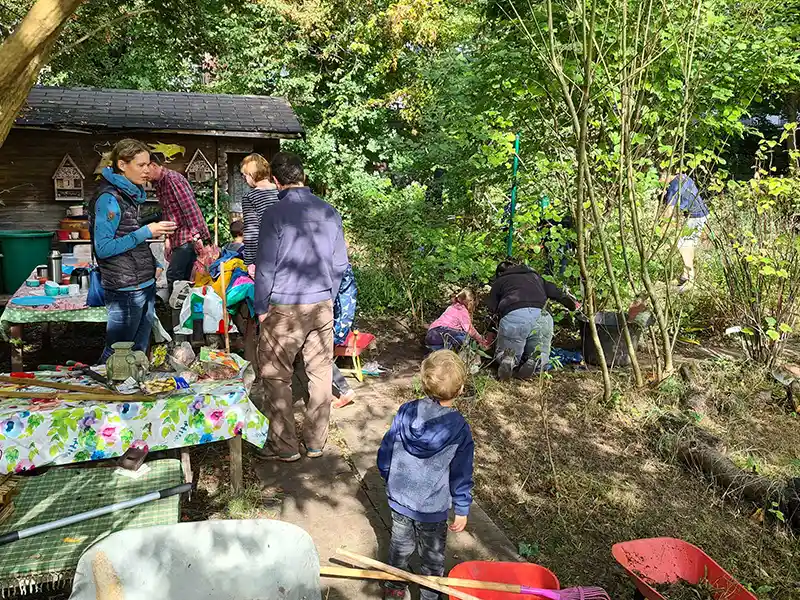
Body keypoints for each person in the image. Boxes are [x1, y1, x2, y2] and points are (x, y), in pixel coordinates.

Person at [255, 152, 348, 462]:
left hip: (284, 305)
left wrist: (261, 307)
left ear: (276, 181)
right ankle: (315, 443)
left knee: (276, 375)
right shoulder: (330, 212)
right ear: (303, 177)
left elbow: (265, 266)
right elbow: (340, 264)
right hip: (322, 304)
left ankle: (284, 446)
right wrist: (327, 296)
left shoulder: (274, 213)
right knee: (321, 374)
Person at [377, 350, 474, 600]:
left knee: (400, 545)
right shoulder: (460, 429)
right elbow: (461, 473)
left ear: (425, 382)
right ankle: (430, 595)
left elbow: (387, 447)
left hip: (399, 498)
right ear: (461, 388)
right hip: (432, 507)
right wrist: (461, 508)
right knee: (432, 555)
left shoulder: (407, 411)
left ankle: (394, 588)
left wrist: (387, 474)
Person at [90, 139, 177, 363]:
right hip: (124, 289)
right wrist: (146, 232)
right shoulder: (109, 198)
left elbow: (128, 237)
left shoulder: (130, 195)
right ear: (122, 164)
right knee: (117, 354)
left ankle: (131, 393)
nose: (147, 170)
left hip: (143, 284)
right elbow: (104, 247)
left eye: (148, 164)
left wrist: (153, 263)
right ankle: (104, 396)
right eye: (140, 165)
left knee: (138, 353)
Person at [489, 260, 578, 381]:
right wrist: (572, 305)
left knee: (508, 350)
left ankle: (508, 359)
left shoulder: (500, 281)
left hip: (515, 316)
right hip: (542, 317)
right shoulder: (535, 277)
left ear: (499, 273)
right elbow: (557, 293)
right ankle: (535, 361)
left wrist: (491, 331)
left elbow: (492, 310)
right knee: (538, 351)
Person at [148, 154, 210, 292]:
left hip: (187, 237)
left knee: (174, 275)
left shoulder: (172, 179)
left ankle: (175, 311)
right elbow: (169, 213)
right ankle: (182, 310)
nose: (144, 175)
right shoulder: (160, 184)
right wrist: (168, 239)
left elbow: (190, 208)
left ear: (153, 165)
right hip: (177, 237)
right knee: (183, 278)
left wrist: (198, 236)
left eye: (145, 168)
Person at [662, 173, 710, 289]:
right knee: (688, 245)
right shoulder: (683, 177)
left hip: (695, 217)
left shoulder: (673, 186)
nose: (661, 183)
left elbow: (668, 210)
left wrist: (663, 227)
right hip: (703, 213)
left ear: (664, 175)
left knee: (683, 245)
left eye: (660, 179)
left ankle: (690, 280)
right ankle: (685, 275)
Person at [241, 153, 280, 271]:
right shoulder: (281, 191)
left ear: (251, 174)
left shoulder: (250, 197)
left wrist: (250, 262)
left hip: (265, 254)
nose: (244, 179)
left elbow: (252, 231)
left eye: (244, 175)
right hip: (286, 249)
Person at [425, 289, 492, 352]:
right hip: (442, 334)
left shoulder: (452, 306)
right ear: (471, 303)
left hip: (431, 335)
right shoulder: (462, 311)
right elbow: (469, 329)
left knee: (455, 338)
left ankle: (436, 350)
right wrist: (481, 340)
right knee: (465, 337)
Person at [332, 263, 358, 409]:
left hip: (336, 318)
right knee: (322, 356)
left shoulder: (335, 267)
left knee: (321, 356)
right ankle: (342, 390)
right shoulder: (343, 265)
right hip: (343, 317)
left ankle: (345, 390)